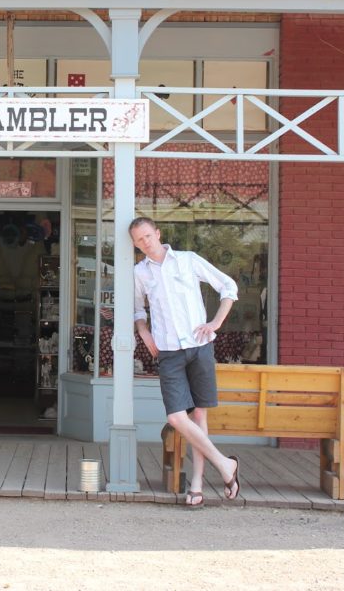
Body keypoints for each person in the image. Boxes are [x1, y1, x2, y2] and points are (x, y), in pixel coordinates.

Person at [129, 216, 242, 508]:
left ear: (158, 233)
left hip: (199, 347)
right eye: (138, 241)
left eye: (147, 236)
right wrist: (144, 332)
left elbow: (228, 287)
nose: (145, 243)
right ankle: (225, 465)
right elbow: (136, 309)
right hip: (167, 352)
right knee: (176, 417)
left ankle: (197, 483)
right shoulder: (139, 273)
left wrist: (216, 322)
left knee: (200, 417)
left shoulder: (188, 260)